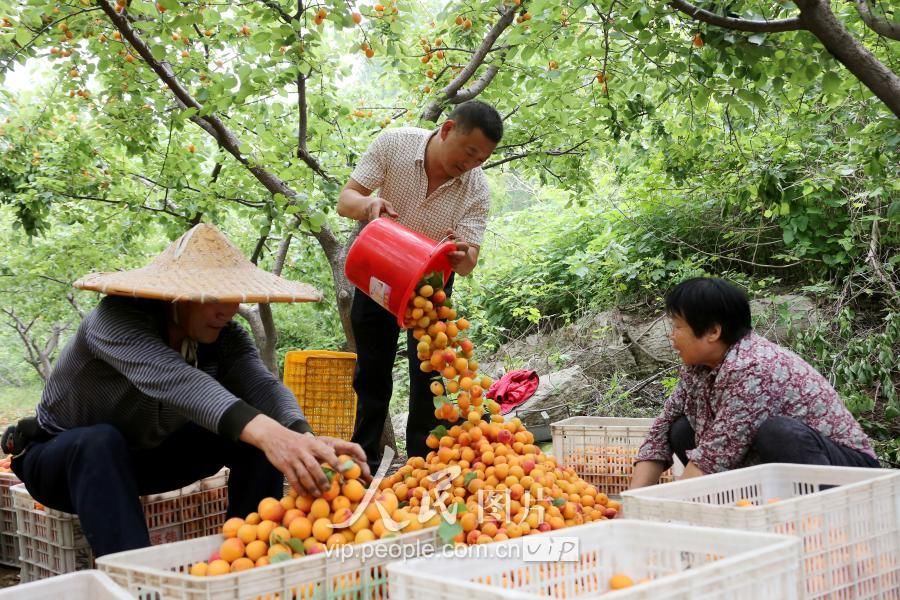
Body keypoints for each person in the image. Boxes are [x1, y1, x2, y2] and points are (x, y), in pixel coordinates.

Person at [3, 223, 370, 556]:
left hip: (144, 460)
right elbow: (179, 383)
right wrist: (272, 434)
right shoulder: (115, 320)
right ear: (175, 296)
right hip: (63, 464)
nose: (227, 310)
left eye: (232, 296)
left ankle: (248, 553)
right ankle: (138, 583)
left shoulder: (226, 337)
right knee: (100, 441)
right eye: (212, 296)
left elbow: (261, 386)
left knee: (257, 437)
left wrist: (302, 436)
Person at [337, 100, 504, 472]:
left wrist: (462, 256)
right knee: (372, 376)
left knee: (429, 376)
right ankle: (364, 461)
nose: (473, 163)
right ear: (447, 130)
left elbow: (470, 256)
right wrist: (369, 205)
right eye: (470, 151)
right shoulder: (394, 144)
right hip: (377, 272)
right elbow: (345, 200)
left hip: (430, 289)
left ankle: (423, 464)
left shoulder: (477, 189)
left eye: (482, 158)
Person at [631, 277, 879, 489]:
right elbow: (660, 432)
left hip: (849, 473)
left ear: (713, 332)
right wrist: (630, 505)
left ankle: (818, 520)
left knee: (778, 433)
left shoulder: (753, 367)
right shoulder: (698, 369)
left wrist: (667, 511)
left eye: (677, 326)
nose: (671, 336)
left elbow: (715, 455)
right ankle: (729, 511)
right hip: (773, 467)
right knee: (680, 428)